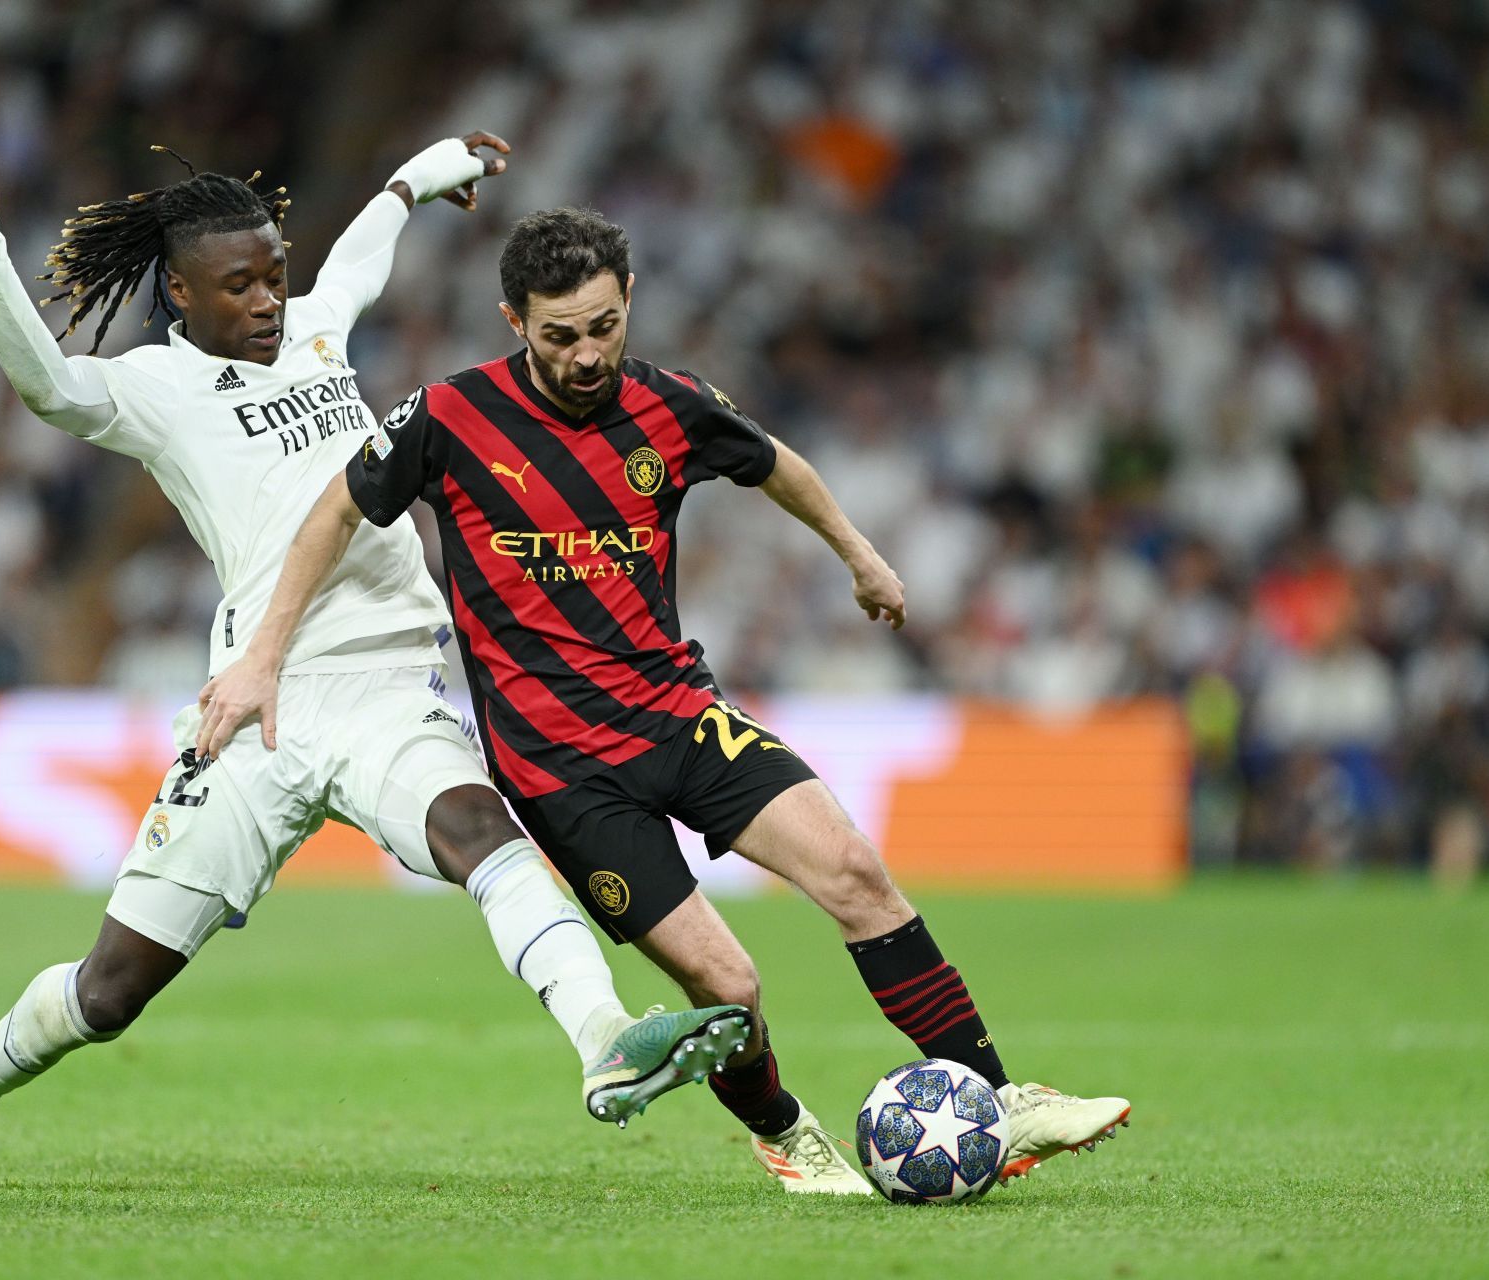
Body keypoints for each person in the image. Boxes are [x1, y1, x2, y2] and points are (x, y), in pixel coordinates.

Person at [0, 107, 749, 1190]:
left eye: (272, 274)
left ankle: (605, 1037)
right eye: (237, 285)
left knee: (477, 827)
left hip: (394, 682)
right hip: (258, 700)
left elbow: (362, 250)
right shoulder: (157, 390)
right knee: (109, 991)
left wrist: (424, 173)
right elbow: (47, 382)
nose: (267, 299)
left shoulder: (318, 326)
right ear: (179, 294)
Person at [198, 207, 1132, 1195]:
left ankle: (999, 1093)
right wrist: (264, 654)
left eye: (603, 326)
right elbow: (334, 511)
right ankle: (783, 1131)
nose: (587, 352)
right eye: (560, 334)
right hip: (563, 774)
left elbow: (780, 466)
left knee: (858, 873)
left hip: (680, 718)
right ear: (513, 318)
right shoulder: (449, 417)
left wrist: (862, 557)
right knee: (729, 990)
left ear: (628, 301)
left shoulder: (671, 407)